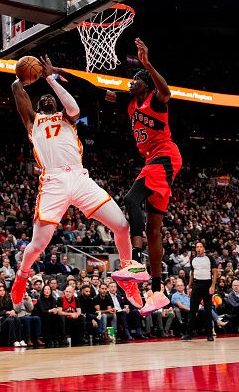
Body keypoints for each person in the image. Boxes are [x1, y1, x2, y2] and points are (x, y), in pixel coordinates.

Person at [54, 39, 180, 315]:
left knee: (131, 199)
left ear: (145, 84)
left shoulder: (155, 100)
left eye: (135, 80)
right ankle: (158, 292)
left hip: (165, 157)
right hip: (155, 160)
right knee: (153, 230)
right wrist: (59, 71)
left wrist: (146, 64)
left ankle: (134, 262)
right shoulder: (130, 102)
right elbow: (93, 90)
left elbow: (166, 91)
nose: (130, 84)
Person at [9, 55, 132, 307]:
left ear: (54, 102)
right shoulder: (33, 121)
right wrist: (25, 75)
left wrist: (50, 80)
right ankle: (22, 275)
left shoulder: (67, 118)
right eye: (42, 97)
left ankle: (127, 275)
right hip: (53, 181)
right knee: (38, 245)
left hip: (79, 176)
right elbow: (15, 88)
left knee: (122, 226)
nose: (46, 98)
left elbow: (74, 107)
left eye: (50, 98)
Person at [183, 242, 217, 341]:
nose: (199, 248)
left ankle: (209, 334)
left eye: (200, 247)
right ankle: (189, 333)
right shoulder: (193, 259)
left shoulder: (210, 258)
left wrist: (213, 285)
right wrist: (189, 286)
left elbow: (215, 272)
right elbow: (192, 273)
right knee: (193, 310)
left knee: (208, 310)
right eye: (197, 247)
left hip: (207, 284)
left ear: (203, 248)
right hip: (196, 285)